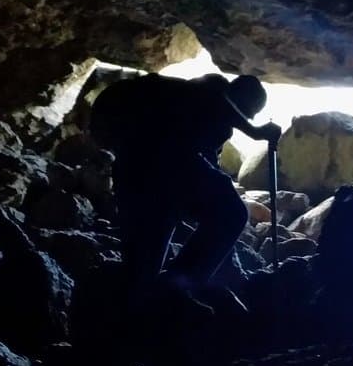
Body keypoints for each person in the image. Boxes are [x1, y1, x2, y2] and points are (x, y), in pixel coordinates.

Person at [92, 72, 281, 313]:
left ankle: (147, 311)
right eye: (248, 112)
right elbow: (214, 98)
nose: (244, 119)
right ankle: (173, 288)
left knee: (143, 271)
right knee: (231, 213)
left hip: (137, 175)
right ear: (241, 99)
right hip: (159, 168)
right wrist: (255, 131)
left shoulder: (204, 123)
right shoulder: (213, 86)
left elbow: (209, 174)